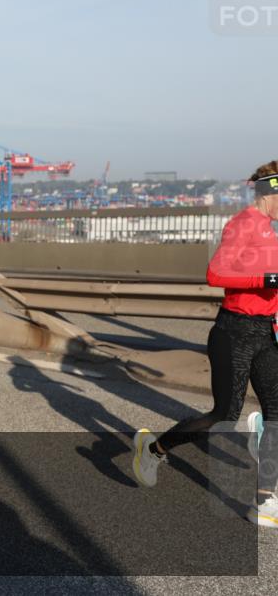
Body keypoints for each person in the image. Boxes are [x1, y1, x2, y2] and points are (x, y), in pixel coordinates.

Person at [132, 161, 278, 528]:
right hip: (234, 331)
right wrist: (268, 277)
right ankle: (153, 450)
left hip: (266, 332)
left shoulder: (273, 231)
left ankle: (265, 500)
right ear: (269, 192)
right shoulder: (242, 224)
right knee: (223, 415)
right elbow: (216, 274)